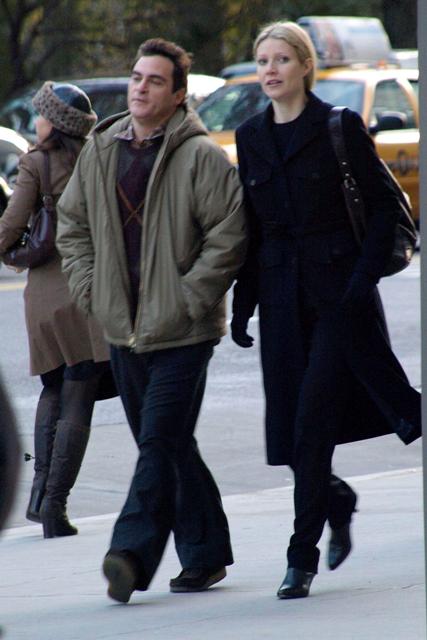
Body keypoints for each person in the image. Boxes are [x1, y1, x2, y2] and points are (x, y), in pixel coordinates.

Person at [231, 21, 421, 599]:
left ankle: (300, 558)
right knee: (293, 438)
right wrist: (243, 304)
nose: (270, 70)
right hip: (282, 306)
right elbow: (254, 230)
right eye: (263, 60)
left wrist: (362, 282)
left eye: (282, 59)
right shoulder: (250, 136)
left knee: (311, 427)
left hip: (340, 302)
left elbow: (385, 210)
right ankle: (337, 503)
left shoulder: (338, 126)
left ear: (305, 66)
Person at [56, 38, 247, 604]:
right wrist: (92, 291)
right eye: (137, 77)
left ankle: (129, 555)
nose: (140, 87)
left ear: (179, 95)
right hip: (123, 328)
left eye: (155, 80)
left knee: (159, 439)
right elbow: (73, 226)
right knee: (167, 444)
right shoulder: (100, 149)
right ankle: (206, 554)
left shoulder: (201, 156)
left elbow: (229, 234)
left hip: (185, 331)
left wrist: (189, 297)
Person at [0, 81, 116, 539]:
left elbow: (10, 226)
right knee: (79, 390)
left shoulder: (35, 164)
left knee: (53, 386)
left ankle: (38, 496)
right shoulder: (97, 158)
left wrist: (9, 253)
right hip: (86, 289)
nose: (36, 121)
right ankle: (55, 505)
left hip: (45, 293)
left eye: (42, 114)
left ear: (56, 123)